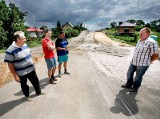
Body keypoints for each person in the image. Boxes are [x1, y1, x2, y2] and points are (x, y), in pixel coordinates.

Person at [4, 31, 42, 101]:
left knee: (36, 81)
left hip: (31, 69)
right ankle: (27, 96)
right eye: (24, 38)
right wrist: (15, 75)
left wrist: (32, 62)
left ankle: (39, 92)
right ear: (18, 40)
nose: (25, 39)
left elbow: (28, 55)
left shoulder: (25, 45)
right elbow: (10, 64)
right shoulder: (10, 50)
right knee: (24, 85)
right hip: (21, 73)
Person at [122, 27, 159, 92]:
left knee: (138, 77)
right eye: (140, 34)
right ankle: (129, 84)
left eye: (142, 34)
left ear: (148, 34)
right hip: (134, 62)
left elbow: (156, 55)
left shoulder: (152, 42)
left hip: (143, 64)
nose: (140, 35)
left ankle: (135, 87)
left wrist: (150, 60)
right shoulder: (139, 41)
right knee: (129, 73)